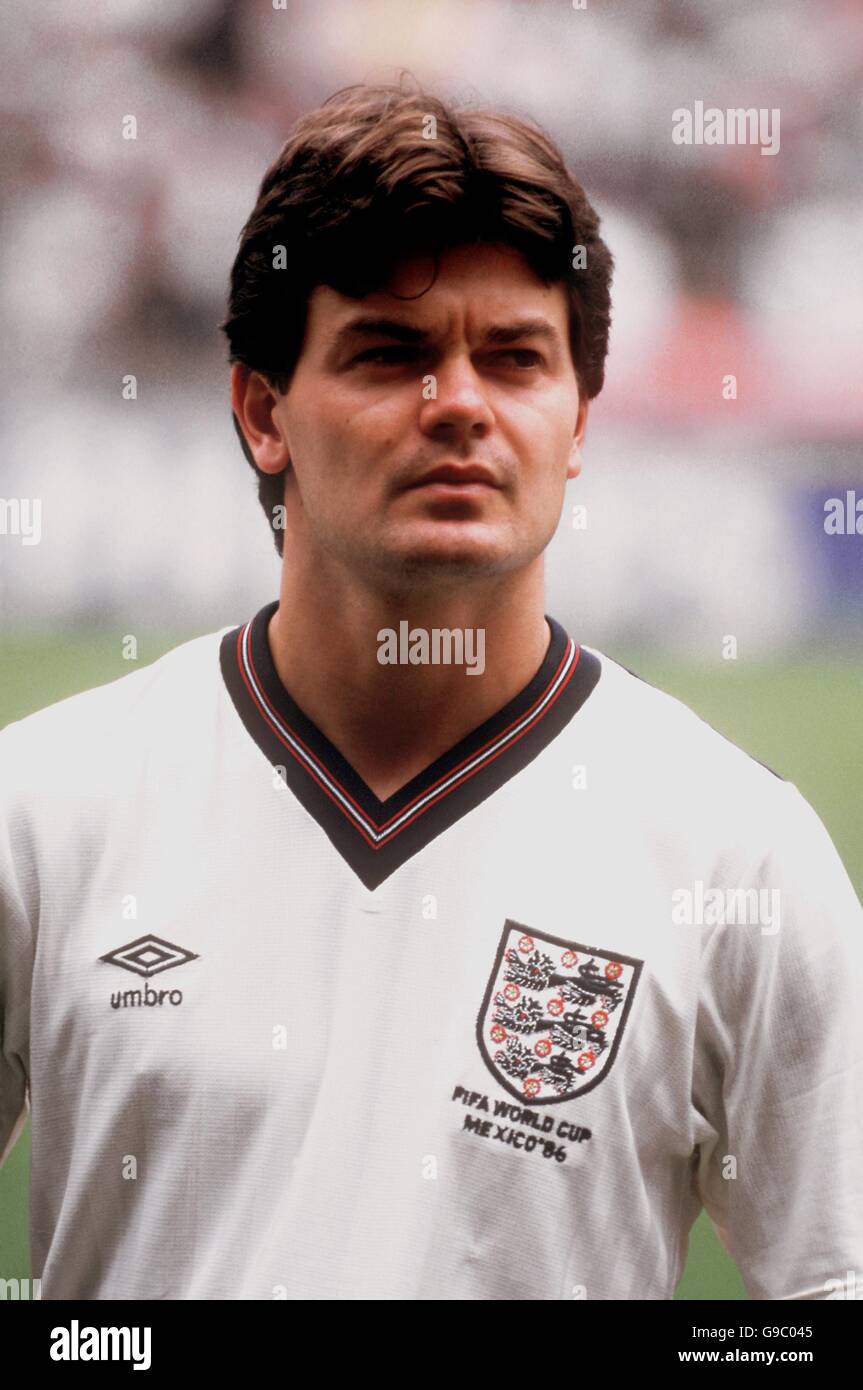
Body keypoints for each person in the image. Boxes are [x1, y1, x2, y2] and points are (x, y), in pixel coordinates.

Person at [1, 81, 861, 1301]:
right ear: (262, 411)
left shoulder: (738, 859)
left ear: (574, 422)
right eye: (389, 353)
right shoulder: (42, 812)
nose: (457, 403)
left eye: (513, 358)